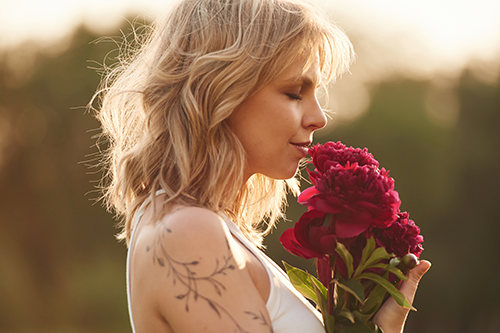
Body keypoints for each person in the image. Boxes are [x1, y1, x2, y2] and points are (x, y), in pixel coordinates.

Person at [92, 0, 431, 332]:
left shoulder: (190, 222)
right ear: (222, 89)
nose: (319, 118)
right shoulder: (188, 233)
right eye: (295, 92)